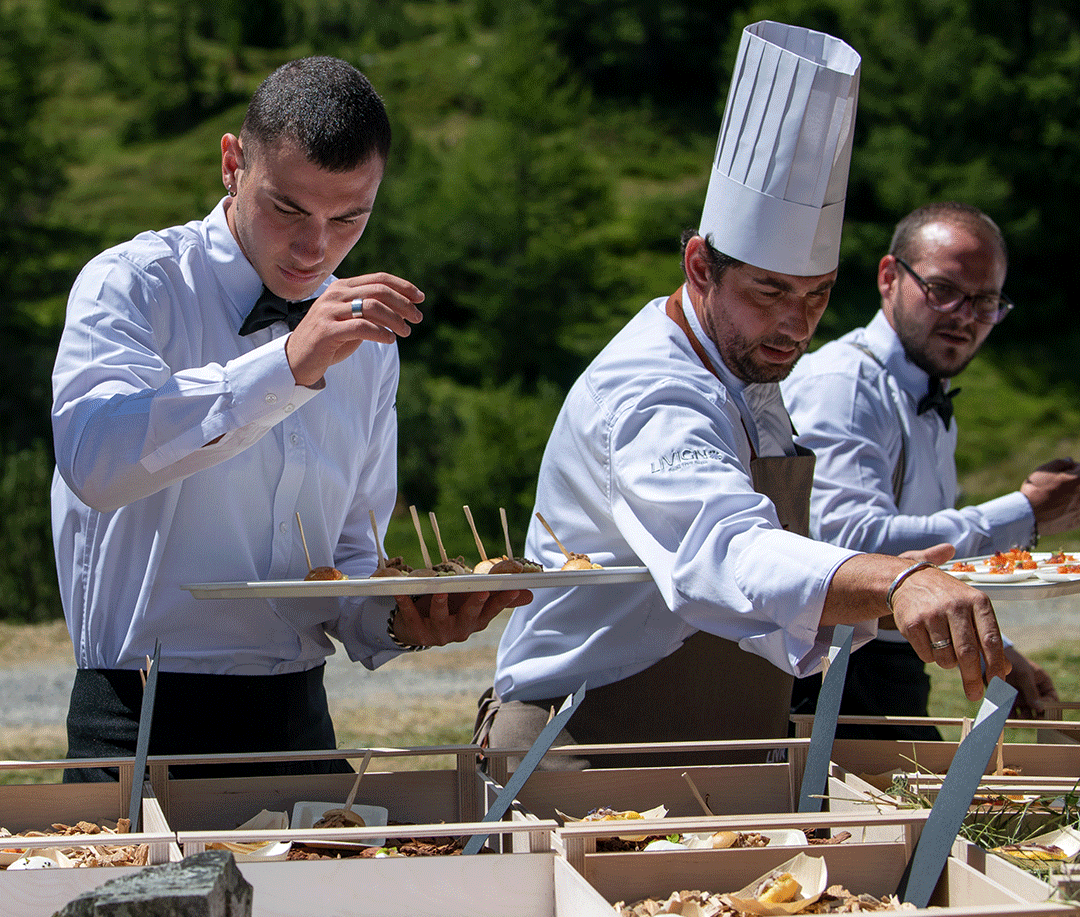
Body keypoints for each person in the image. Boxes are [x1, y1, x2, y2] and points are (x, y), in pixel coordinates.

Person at [479, 23, 1010, 770]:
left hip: (730, 748)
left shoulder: (747, 364)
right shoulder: (651, 392)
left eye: (819, 297)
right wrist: (892, 580)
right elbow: (728, 553)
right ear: (700, 264)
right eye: (770, 292)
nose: (796, 325)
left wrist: (873, 582)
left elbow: (767, 590)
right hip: (587, 745)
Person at [51, 56, 529, 782]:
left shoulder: (367, 346)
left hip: (301, 722)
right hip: (140, 719)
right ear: (231, 163)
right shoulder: (133, 285)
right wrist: (288, 367)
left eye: (349, 219)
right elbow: (95, 461)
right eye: (288, 210)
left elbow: (345, 558)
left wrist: (404, 618)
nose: (316, 250)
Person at [782, 202, 1080, 733]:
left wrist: (1002, 652)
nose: (965, 316)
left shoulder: (925, 389)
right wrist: (1027, 512)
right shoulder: (844, 385)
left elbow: (925, 560)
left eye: (985, 301)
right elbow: (851, 541)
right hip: (829, 675)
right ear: (889, 277)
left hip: (887, 665)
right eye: (944, 291)